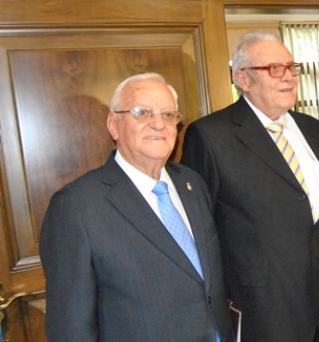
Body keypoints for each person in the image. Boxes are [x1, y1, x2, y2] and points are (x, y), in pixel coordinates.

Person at [40, 72, 234, 342]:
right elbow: (70, 326)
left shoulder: (193, 184)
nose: (158, 124)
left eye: (168, 115)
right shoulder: (76, 206)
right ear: (114, 125)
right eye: (142, 112)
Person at [180, 29, 319, 342]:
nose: (289, 78)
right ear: (243, 79)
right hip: (258, 308)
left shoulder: (316, 131)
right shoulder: (212, 136)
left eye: (291, 68)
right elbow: (198, 229)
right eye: (274, 69)